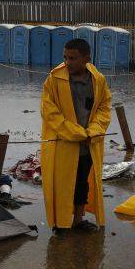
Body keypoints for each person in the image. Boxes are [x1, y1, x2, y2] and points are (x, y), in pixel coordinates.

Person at [40, 38, 111, 232]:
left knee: (81, 183)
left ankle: (78, 220)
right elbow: (49, 111)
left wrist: (93, 131)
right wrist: (74, 132)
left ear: (86, 58)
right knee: (61, 184)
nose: (67, 62)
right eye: (65, 57)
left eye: (72, 58)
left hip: (88, 144)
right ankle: (60, 223)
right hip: (63, 144)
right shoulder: (54, 79)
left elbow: (104, 108)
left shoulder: (98, 80)